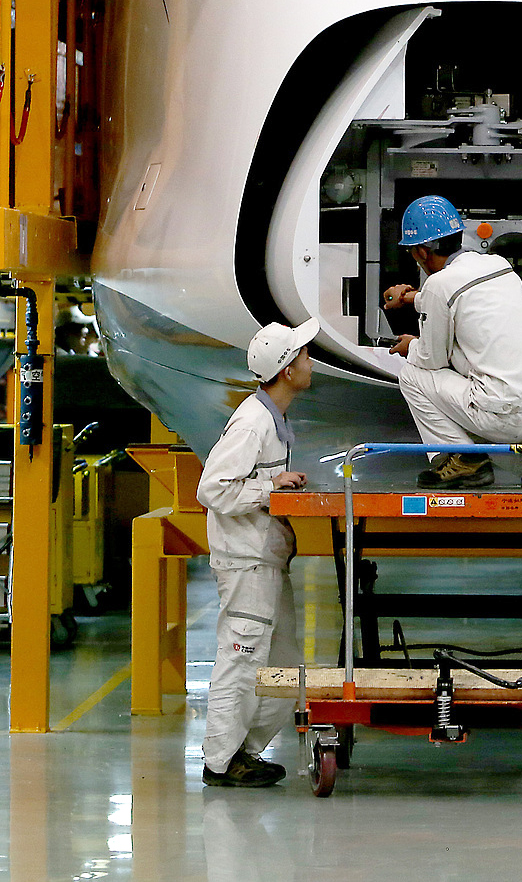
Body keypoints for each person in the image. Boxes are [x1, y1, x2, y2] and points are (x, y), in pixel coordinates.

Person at [380, 195, 522, 489]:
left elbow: (432, 359)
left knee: (413, 374)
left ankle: (464, 461)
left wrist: (411, 346)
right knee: (475, 352)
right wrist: (410, 298)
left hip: (507, 416)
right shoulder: (497, 266)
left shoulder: (439, 285)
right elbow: (454, 298)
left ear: (421, 251)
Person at [195, 318, 315, 788]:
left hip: (263, 558)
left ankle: (244, 750)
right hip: (245, 561)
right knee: (242, 660)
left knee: (281, 664)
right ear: (286, 370)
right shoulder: (252, 422)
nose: (310, 362)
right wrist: (269, 488)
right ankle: (220, 763)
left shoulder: (273, 418)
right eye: (303, 355)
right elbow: (213, 488)